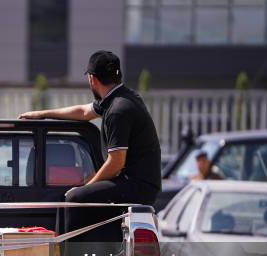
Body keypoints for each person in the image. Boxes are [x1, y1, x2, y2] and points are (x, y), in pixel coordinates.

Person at [19, 50, 161, 243]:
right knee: (74, 196)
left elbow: (116, 162)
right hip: (135, 182)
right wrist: (42, 114)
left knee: (73, 199)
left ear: (92, 79)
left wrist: (89, 184)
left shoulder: (118, 110)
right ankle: (62, 252)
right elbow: (84, 112)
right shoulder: (119, 99)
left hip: (138, 186)